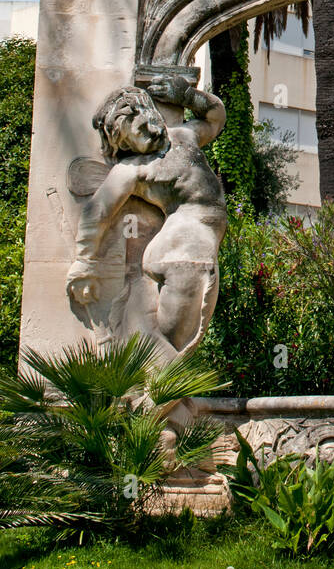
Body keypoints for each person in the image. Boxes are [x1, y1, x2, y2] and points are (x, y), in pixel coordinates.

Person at [66, 75, 227, 361]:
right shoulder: (134, 169)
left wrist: (187, 96)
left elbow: (216, 117)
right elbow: (98, 211)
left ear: (149, 112)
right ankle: (149, 394)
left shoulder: (185, 135)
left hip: (194, 243)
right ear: (126, 147)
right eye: (133, 140)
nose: (145, 137)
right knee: (174, 345)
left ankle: (146, 384)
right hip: (182, 246)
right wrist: (84, 263)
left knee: (174, 342)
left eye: (141, 126)